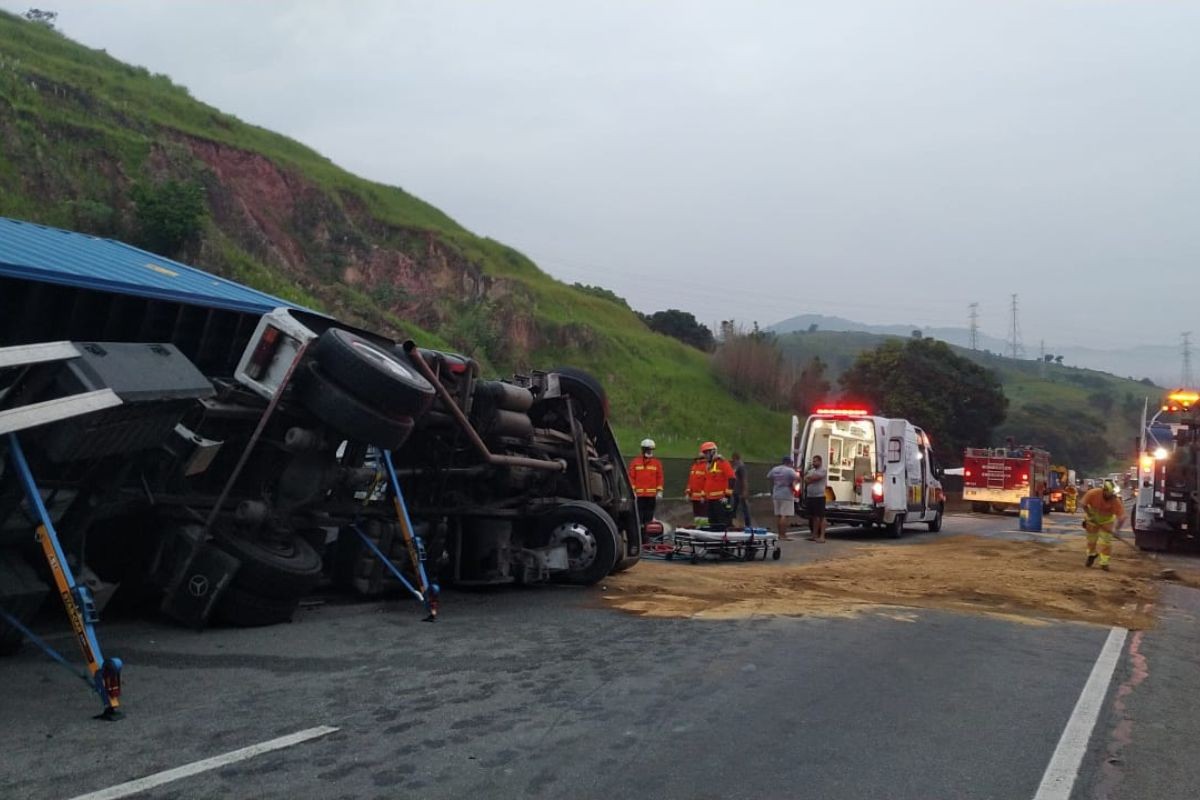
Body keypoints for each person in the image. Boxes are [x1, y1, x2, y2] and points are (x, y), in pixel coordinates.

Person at [1079, 479, 1127, 571]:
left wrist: (1117, 530)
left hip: (1106, 522)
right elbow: (1083, 504)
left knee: (1106, 543)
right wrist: (1090, 515)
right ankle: (1091, 555)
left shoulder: (1115, 500)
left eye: (1113, 494)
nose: (1112, 496)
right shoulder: (1093, 493)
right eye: (1110, 494)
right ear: (1104, 490)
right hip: (1092, 521)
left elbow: (1122, 517)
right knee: (1091, 541)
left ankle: (1104, 563)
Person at [627, 438, 664, 531]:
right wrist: (633, 491)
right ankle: (640, 532)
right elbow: (631, 477)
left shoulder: (656, 463)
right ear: (643, 450)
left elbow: (659, 477)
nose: (650, 452)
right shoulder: (635, 462)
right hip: (639, 495)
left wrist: (659, 491)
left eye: (651, 450)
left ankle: (647, 533)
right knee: (639, 516)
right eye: (648, 449)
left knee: (649, 517)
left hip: (651, 495)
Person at [698, 441, 735, 527]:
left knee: (723, 521)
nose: (705, 456)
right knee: (712, 522)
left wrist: (727, 496)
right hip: (710, 499)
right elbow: (706, 482)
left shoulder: (722, 463)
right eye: (704, 453)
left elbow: (732, 478)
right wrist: (704, 496)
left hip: (721, 499)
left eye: (707, 453)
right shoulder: (708, 466)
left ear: (713, 452)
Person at [766, 456, 798, 541]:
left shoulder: (775, 469)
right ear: (789, 463)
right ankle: (783, 535)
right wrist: (792, 482)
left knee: (779, 515)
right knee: (784, 515)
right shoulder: (789, 470)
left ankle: (780, 534)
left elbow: (768, 477)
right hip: (786, 494)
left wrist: (776, 482)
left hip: (776, 493)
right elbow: (797, 478)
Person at [803, 454, 829, 542]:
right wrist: (808, 478)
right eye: (813, 461)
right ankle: (814, 535)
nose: (813, 463)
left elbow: (814, 478)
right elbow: (806, 480)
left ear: (820, 462)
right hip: (811, 496)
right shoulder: (811, 471)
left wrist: (809, 478)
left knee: (821, 516)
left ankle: (822, 536)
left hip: (819, 496)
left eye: (815, 461)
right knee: (814, 517)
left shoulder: (823, 470)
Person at [728, 452, 752, 529]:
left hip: (740, 490)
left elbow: (744, 479)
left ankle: (748, 524)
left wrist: (745, 490)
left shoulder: (741, 466)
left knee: (744, 507)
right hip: (735, 490)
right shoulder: (735, 466)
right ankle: (732, 522)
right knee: (734, 507)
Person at [685, 452, 709, 520]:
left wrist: (703, 496)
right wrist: (688, 493)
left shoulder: (706, 467)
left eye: (699, 459)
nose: (697, 460)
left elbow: (707, 482)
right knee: (696, 515)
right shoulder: (694, 467)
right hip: (694, 497)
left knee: (703, 515)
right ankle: (698, 525)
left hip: (702, 498)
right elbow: (690, 481)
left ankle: (703, 526)